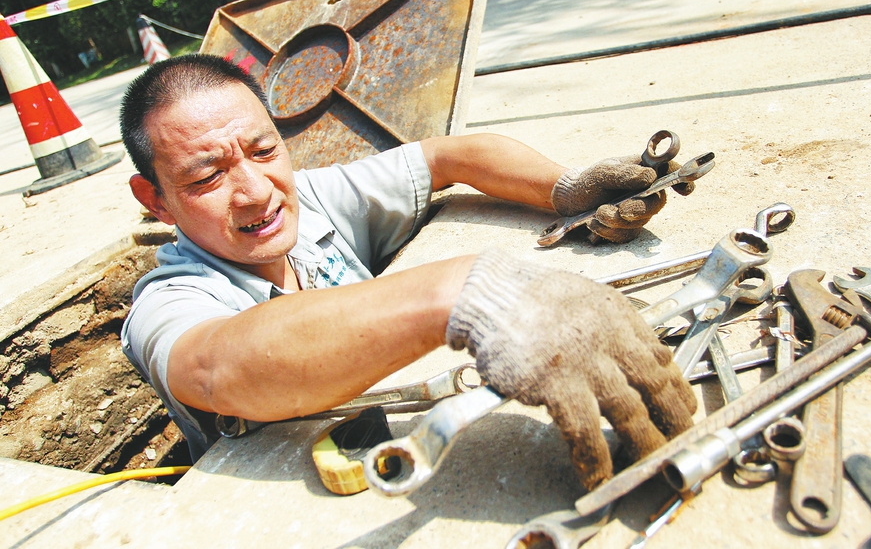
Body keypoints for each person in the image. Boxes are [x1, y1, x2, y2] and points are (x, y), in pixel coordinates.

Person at [119, 54, 697, 490]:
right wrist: (465, 290)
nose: (254, 192)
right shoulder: (169, 300)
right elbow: (216, 367)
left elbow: (450, 157)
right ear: (156, 200)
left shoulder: (311, 197)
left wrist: (567, 189)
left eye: (264, 150)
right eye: (205, 178)